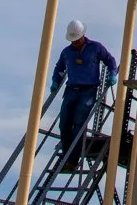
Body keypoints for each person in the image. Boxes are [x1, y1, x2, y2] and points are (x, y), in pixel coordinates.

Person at [48, 19, 117, 170]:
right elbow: (59, 67)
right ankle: (67, 156)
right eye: (72, 40)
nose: (75, 43)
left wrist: (112, 73)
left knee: (79, 125)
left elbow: (110, 60)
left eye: (77, 40)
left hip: (88, 91)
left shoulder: (95, 48)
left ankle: (71, 161)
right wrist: (55, 81)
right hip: (71, 90)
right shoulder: (67, 52)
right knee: (64, 124)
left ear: (83, 35)